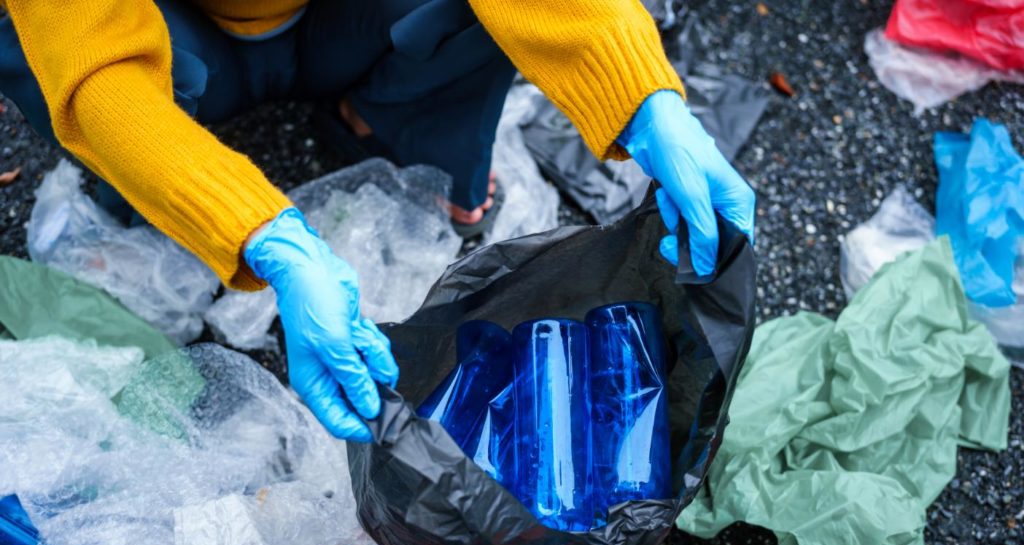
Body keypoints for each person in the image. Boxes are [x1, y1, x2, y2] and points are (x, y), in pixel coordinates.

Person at [0, 0, 754, 441]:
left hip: (340, 19)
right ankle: (162, 190)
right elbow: (99, 76)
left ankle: (391, 119)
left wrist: (642, 97)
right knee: (38, 52)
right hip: (178, 41)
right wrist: (269, 238)